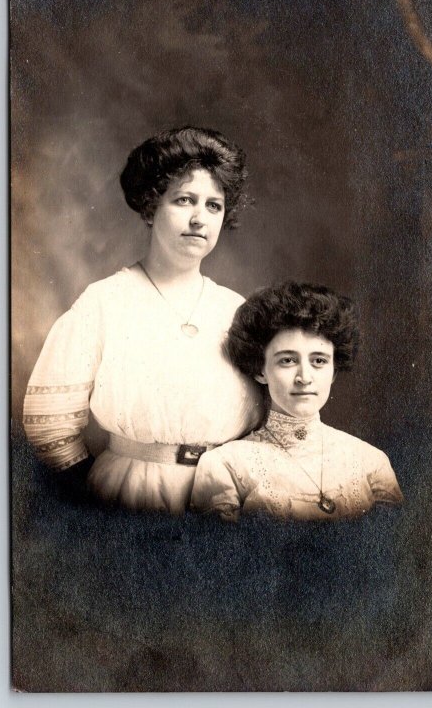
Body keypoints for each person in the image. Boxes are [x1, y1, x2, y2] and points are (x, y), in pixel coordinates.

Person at [23, 126, 262, 512]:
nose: (199, 218)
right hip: (128, 494)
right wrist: (97, 504)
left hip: (221, 502)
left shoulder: (237, 311)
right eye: (184, 200)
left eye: (213, 205)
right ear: (151, 207)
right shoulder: (105, 302)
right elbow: (49, 425)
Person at [191, 281, 403, 521]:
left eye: (319, 361)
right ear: (260, 370)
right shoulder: (225, 465)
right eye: (288, 360)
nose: (304, 378)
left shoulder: (371, 462)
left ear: (333, 371)